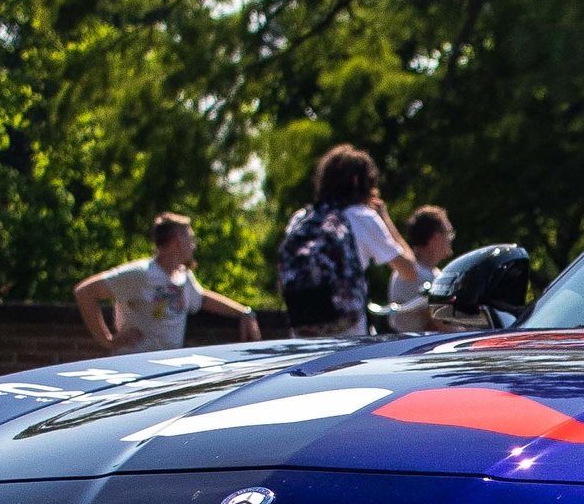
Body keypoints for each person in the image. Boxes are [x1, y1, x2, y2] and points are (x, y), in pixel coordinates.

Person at [276, 144, 419, 338]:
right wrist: (385, 218)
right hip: (348, 337)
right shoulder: (362, 217)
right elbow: (410, 271)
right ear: (358, 181)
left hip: (304, 337)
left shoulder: (301, 219)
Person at [73, 214, 259, 355]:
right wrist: (107, 340)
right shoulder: (141, 273)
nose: (194, 245)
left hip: (166, 370)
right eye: (191, 239)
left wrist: (244, 312)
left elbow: (202, 299)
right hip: (134, 367)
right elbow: (85, 292)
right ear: (178, 239)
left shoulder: (183, 276)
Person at [387, 205, 457, 336]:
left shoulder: (429, 273)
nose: (451, 238)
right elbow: (442, 325)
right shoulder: (417, 275)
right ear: (435, 237)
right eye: (449, 232)